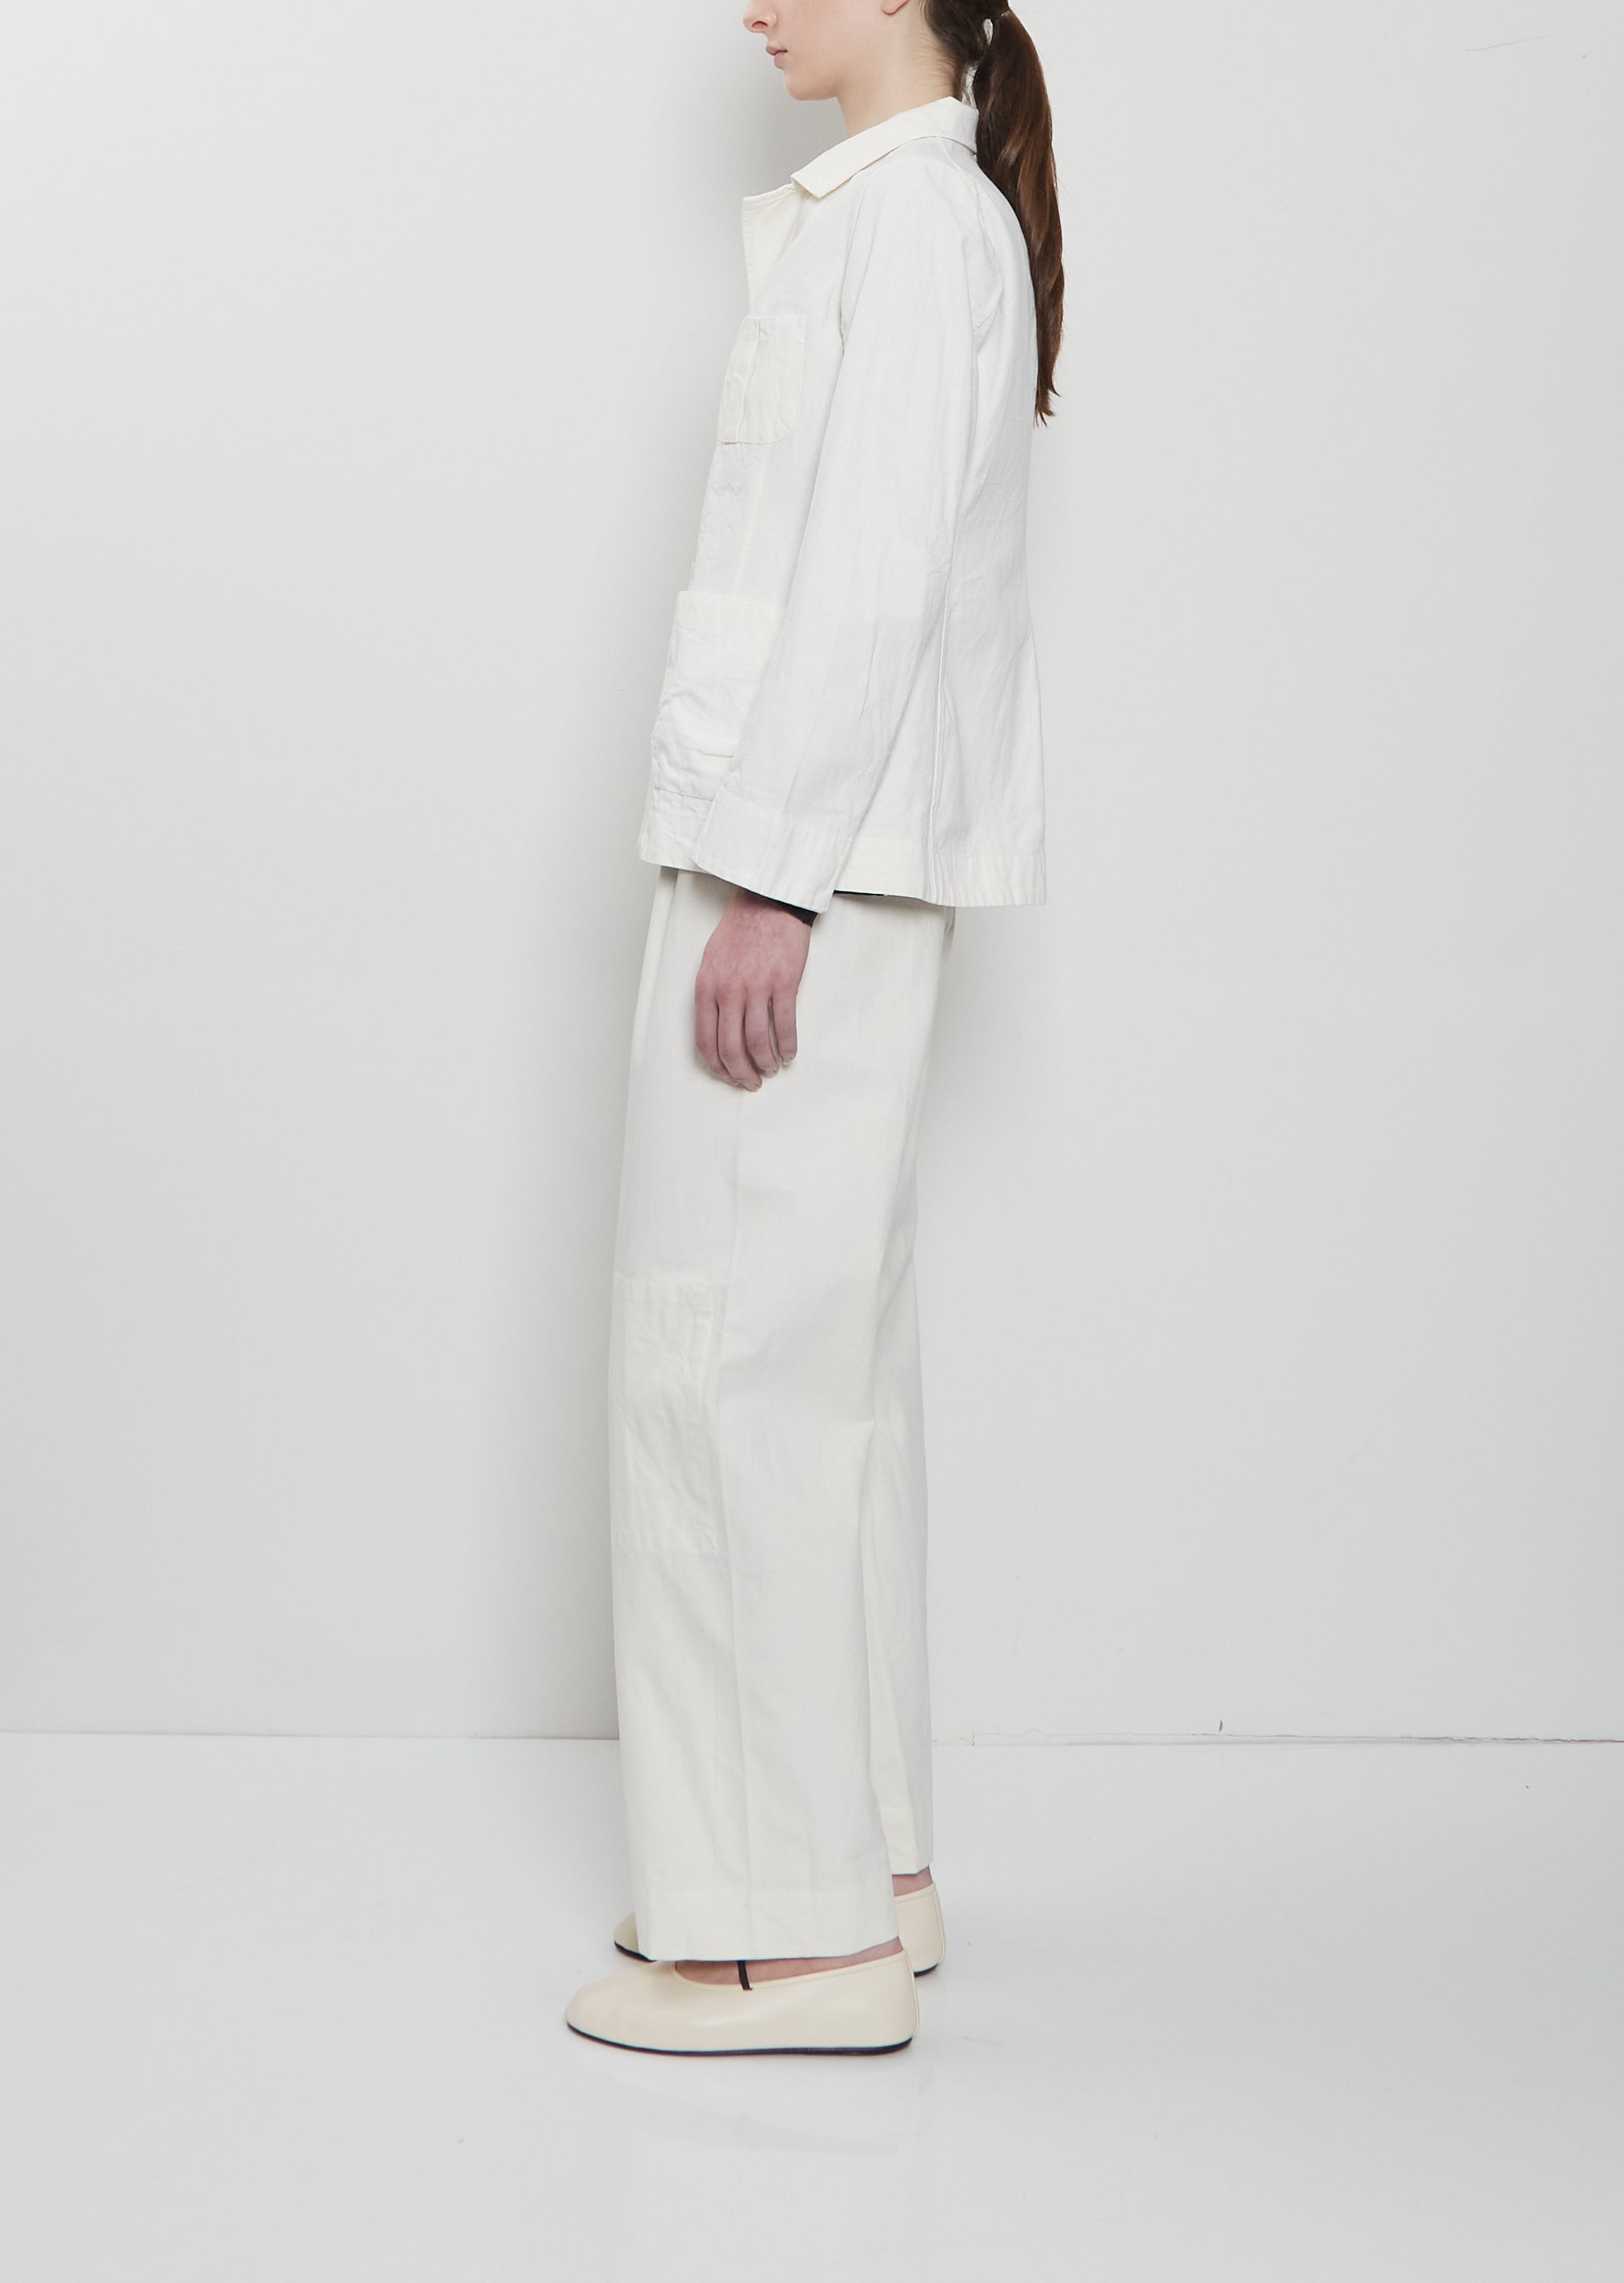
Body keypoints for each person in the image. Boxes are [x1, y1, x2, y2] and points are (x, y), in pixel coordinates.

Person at [566, 0, 1062, 2056]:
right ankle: (872, 1870)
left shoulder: (911, 227)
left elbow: (869, 580)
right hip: (818, 845)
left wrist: (769, 880)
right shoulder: (909, 218)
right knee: (817, 1370)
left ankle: (779, 1939)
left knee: (724, 1369)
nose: (749, 3)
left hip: (801, 863)